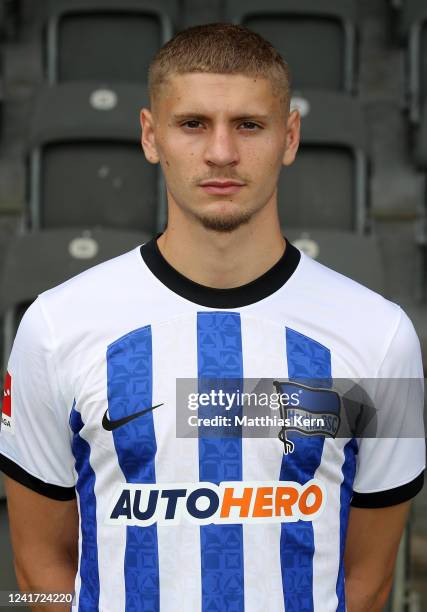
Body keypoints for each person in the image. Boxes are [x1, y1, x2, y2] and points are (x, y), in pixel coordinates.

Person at [0, 23, 425, 612]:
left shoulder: (380, 337)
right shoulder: (54, 326)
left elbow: (370, 578)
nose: (221, 152)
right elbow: (38, 570)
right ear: (151, 136)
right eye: (193, 123)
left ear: (290, 136)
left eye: (249, 125)